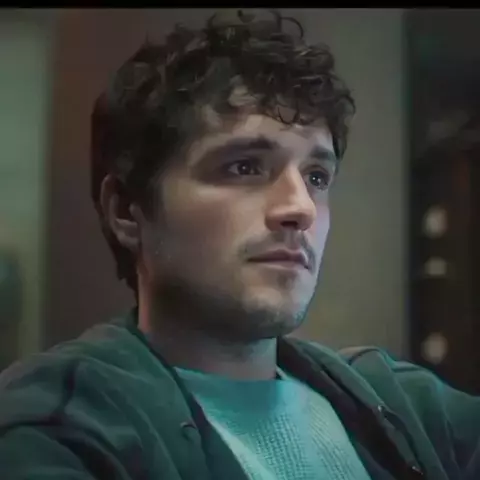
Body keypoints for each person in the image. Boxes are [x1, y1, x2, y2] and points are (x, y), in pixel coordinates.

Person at [0, 9, 479, 480]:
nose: (301, 208)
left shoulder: (403, 402)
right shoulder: (56, 426)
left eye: (316, 176)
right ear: (127, 210)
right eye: (245, 167)